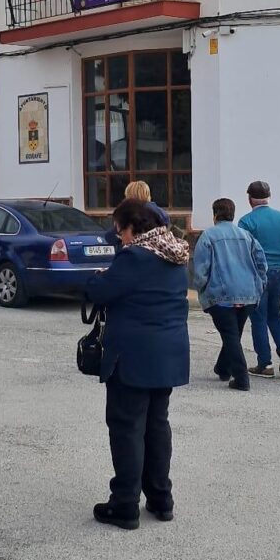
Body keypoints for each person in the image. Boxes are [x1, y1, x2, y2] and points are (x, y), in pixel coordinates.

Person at [85, 197, 189, 530]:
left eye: (121, 230)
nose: (120, 237)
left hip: (133, 356)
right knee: (157, 426)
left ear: (134, 227)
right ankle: (161, 499)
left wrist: (100, 276)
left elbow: (98, 291)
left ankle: (125, 504)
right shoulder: (174, 254)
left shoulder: (134, 258)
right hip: (169, 354)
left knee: (127, 428)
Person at [192, 197, 267, 392]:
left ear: (215, 214)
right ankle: (223, 368)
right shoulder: (246, 235)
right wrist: (259, 285)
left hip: (221, 295)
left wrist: (201, 288)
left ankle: (241, 378)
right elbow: (261, 263)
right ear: (233, 214)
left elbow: (201, 269)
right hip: (248, 293)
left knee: (230, 335)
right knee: (233, 333)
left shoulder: (208, 236)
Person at [239, 180, 280, 377]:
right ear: (268, 196)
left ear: (249, 199)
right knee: (275, 313)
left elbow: (243, 251)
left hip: (258, 273)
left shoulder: (246, 222)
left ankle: (265, 363)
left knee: (258, 317)